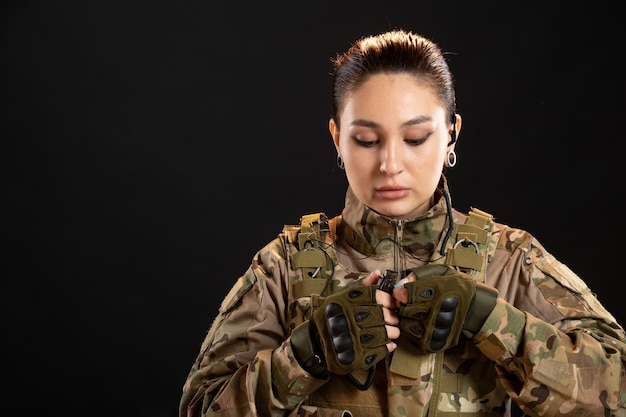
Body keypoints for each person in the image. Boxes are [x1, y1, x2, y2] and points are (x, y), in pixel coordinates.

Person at [178, 29, 626, 417]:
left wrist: (492, 321)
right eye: (367, 139)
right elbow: (200, 407)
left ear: (451, 132)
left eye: (415, 138)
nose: (390, 164)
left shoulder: (510, 262)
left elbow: (617, 391)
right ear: (337, 137)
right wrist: (304, 356)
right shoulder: (285, 267)